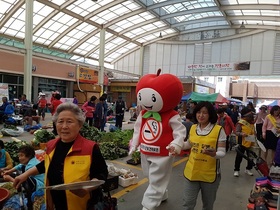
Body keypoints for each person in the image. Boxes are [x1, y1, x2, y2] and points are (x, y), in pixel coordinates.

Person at [13, 102, 108, 210]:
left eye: (69, 122)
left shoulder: (90, 148)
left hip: (81, 205)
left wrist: (88, 187)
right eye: (60, 121)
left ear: (80, 125)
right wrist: (25, 175)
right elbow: (46, 165)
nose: (64, 126)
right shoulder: (51, 145)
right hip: (55, 204)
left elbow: (102, 173)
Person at [129, 70, 186, 210]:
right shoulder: (143, 114)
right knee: (149, 175)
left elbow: (180, 131)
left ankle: (148, 205)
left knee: (156, 178)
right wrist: (134, 143)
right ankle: (162, 193)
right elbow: (138, 129)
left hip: (163, 153)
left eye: (152, 99)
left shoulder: (172, 115)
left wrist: (176, 144)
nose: (147, 103)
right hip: (145, 150)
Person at [180, 101, 226, 210]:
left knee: (208, 206)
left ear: (210, 114)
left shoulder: (218, 130)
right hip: (192, 172)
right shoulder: (193, 127)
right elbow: (189, 144)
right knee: (187, 203)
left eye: (205, 113)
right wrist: (177, 145)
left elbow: (222, 152)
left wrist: (214, 154)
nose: (201, 115)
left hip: (209, 174)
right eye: (199, 112)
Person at [233, 107, 256, 177]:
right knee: (239, 157)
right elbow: (236, 132)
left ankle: (248, 169)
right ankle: (236, 170)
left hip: (251, 142)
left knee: (250, 157)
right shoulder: (240, 123)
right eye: (250, 116)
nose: (251, 117)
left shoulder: (252, 123)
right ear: (245, 116)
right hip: (242, 143)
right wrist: (242, 134)